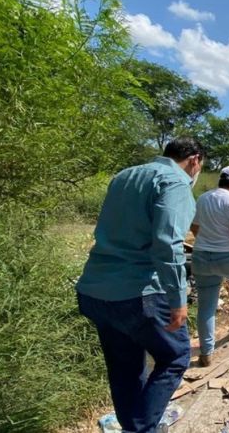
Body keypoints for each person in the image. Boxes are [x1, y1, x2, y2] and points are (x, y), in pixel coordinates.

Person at [75, 137, 204, 433]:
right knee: (175, 356)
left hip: (96, 289)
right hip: (141, 292)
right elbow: (168, 244)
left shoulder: (125, 176)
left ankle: (131, 425)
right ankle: (141, 429)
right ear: (194, 160)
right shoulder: (176, 182)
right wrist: (178, 298)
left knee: (125, 368)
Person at [191, 165, 229, 367]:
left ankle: (206, 353)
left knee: (206, 306)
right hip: (228, 256)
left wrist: (206, 242)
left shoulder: (203, 198)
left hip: (200, 257)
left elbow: (194, 226)